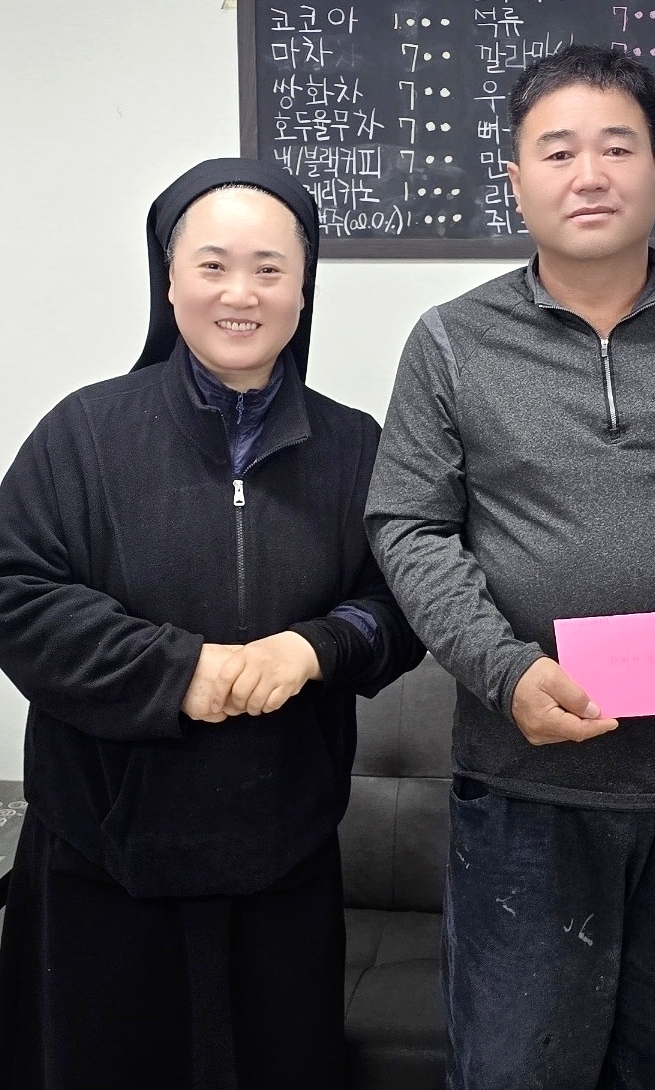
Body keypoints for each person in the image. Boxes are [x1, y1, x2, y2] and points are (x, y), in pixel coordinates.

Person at [365, 44, 655, 1089]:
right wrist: (503, 669)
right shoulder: (451, 343)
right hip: (518, 797)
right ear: (516, 178)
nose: (590, 175)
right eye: (558, 151)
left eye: (617, 147)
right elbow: (409, 526)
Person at [0, 158, 422, 1090]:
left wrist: (315, 646)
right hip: (102, 859)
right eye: (213, 265)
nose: (241, 294)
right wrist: (174, 670)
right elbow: (17, 592)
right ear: (168, 280)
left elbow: (400, 605)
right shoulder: (81, 434)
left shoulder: (356, 445)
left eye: (270, 269)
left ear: (304, 287)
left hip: (283, 861)